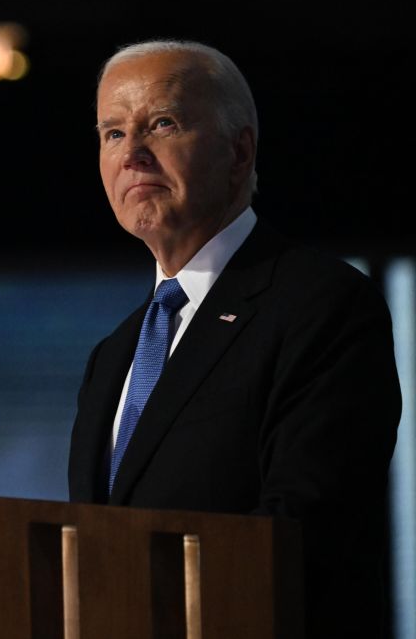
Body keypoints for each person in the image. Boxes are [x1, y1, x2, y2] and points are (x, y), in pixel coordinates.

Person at [67, 40, 400, 637]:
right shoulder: (112, 356)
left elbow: (306, 528)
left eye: (161, 124)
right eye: (113, 133)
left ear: (239, 150)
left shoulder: (321, 305)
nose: (133, 155)